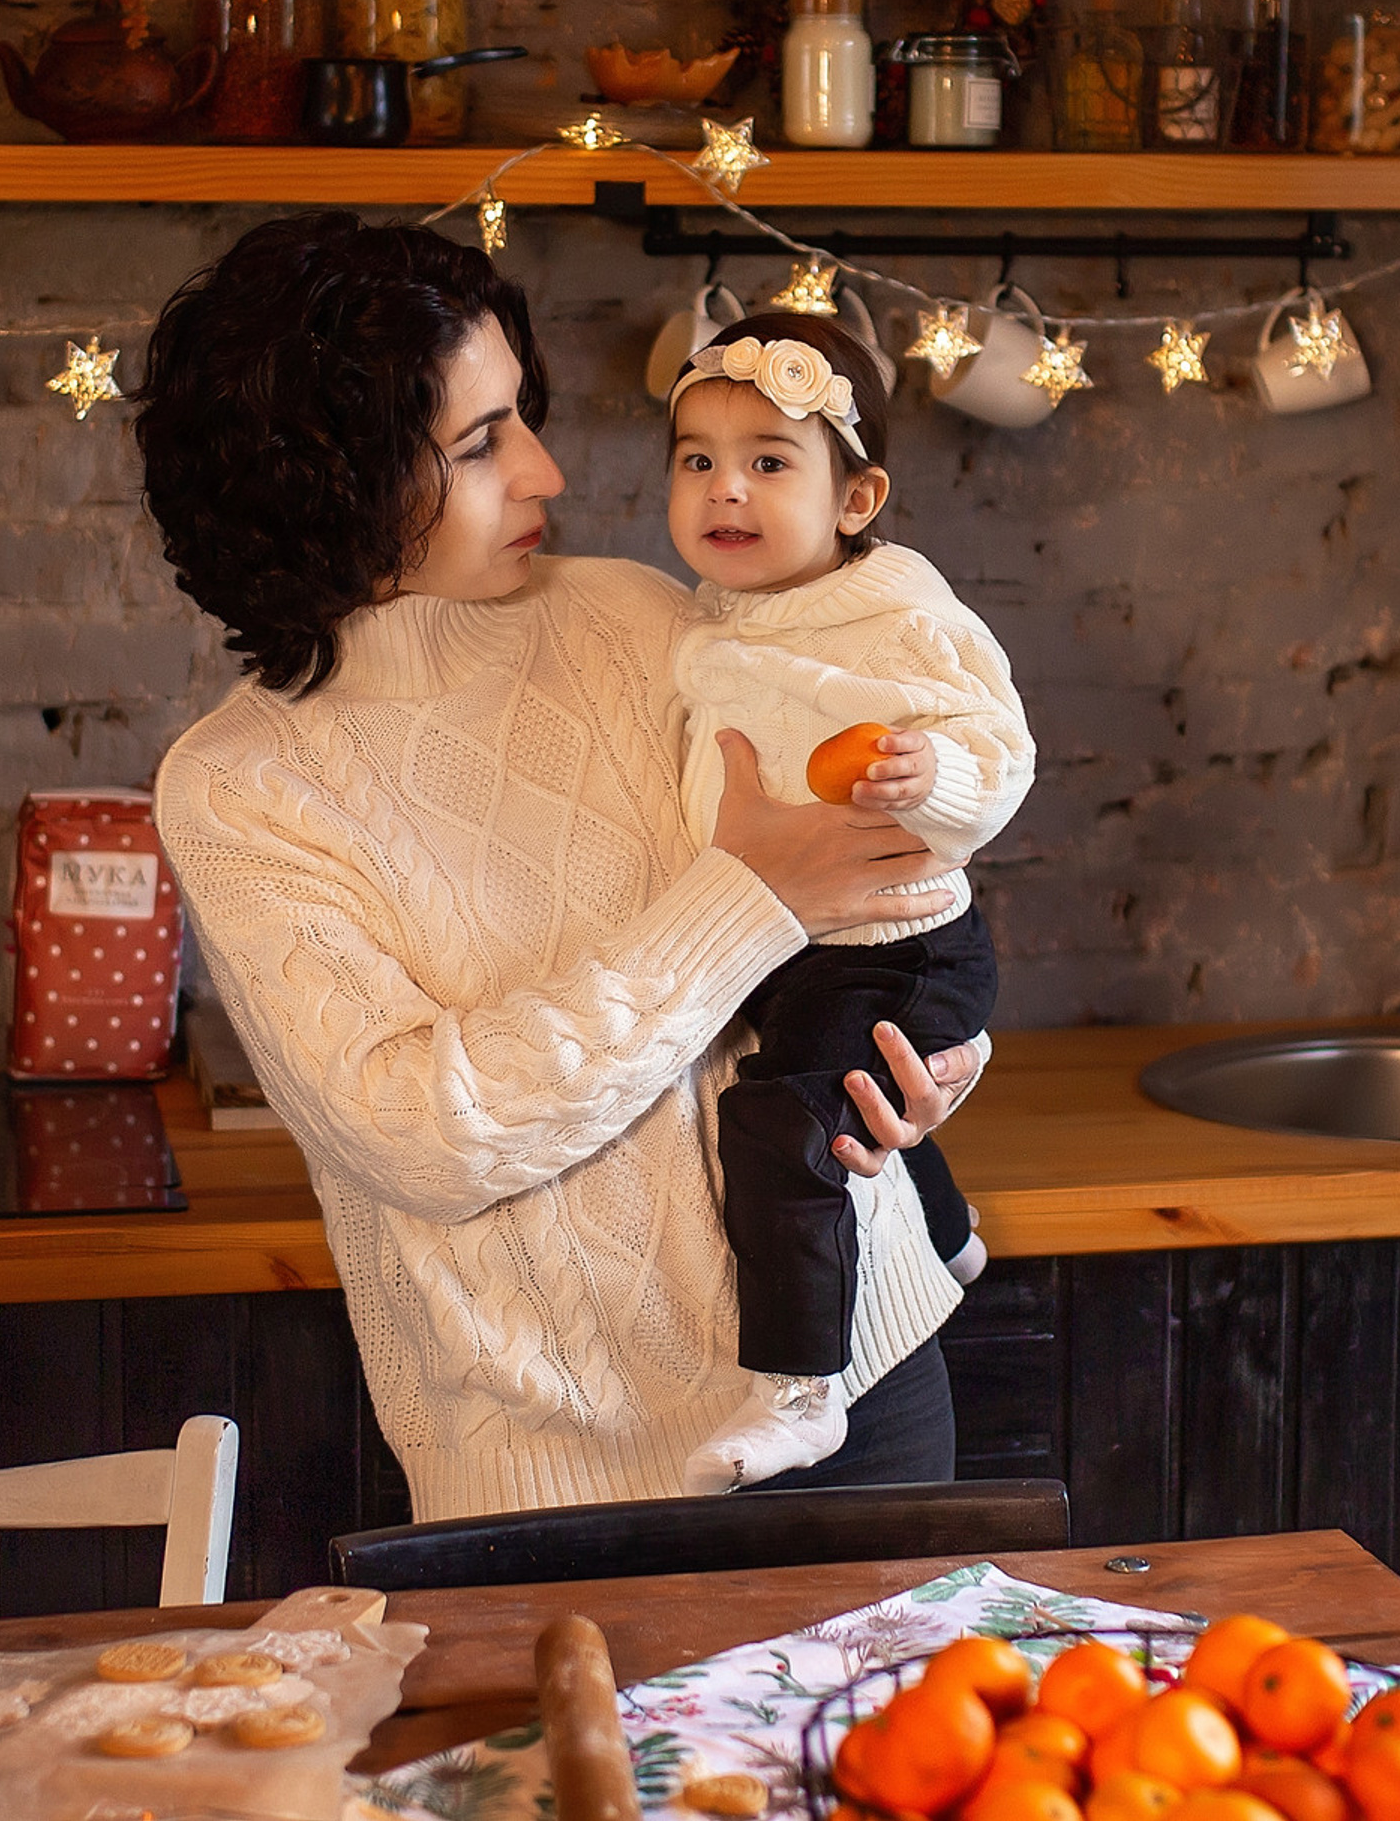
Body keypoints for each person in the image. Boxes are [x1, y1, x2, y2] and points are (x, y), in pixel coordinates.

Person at [139, 214, 987, 1520]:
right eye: (481, 444)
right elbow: (423, 1133)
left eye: (521, 416)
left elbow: (866, 869)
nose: (545, 471)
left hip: (865, 1392)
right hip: (558, 1479)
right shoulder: (241, 788)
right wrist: (744, 904)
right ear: (335, 481)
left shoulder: (639, 622)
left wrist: (920, 1053)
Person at [661, 312, 1032, 1493]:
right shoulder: (718, 610)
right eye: (697, 460)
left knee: (782, 1124)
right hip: (805, 943)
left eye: (770, 461)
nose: (727, 489)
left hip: (900, 943)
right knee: (847, 1088)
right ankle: (949, 1232)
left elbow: (1001, 748)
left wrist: (940, 775)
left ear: (856, 498)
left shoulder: (898, 612)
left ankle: (802, 1388)